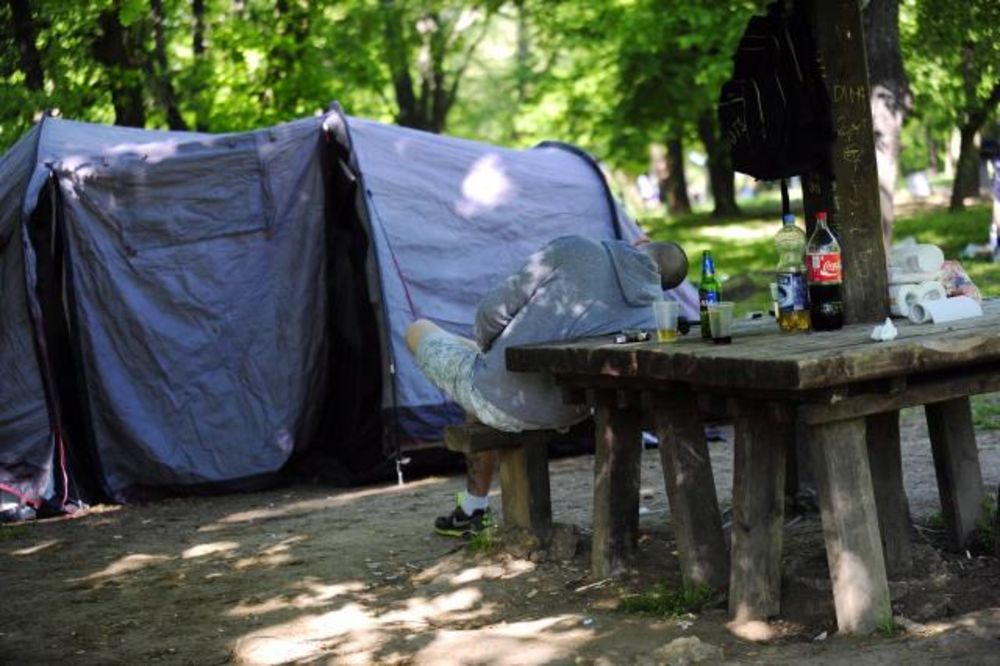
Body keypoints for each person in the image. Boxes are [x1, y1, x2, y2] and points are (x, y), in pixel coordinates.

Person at [405, 234, 689, 537]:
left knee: (418, 330)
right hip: (570, 408)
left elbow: (490, 312)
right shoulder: (656, 313)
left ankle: (474, 507)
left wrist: (491, 352)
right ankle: (472, 508)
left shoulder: (574, 248)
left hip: (502, 397)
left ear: (640, 246)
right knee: (479, 366)